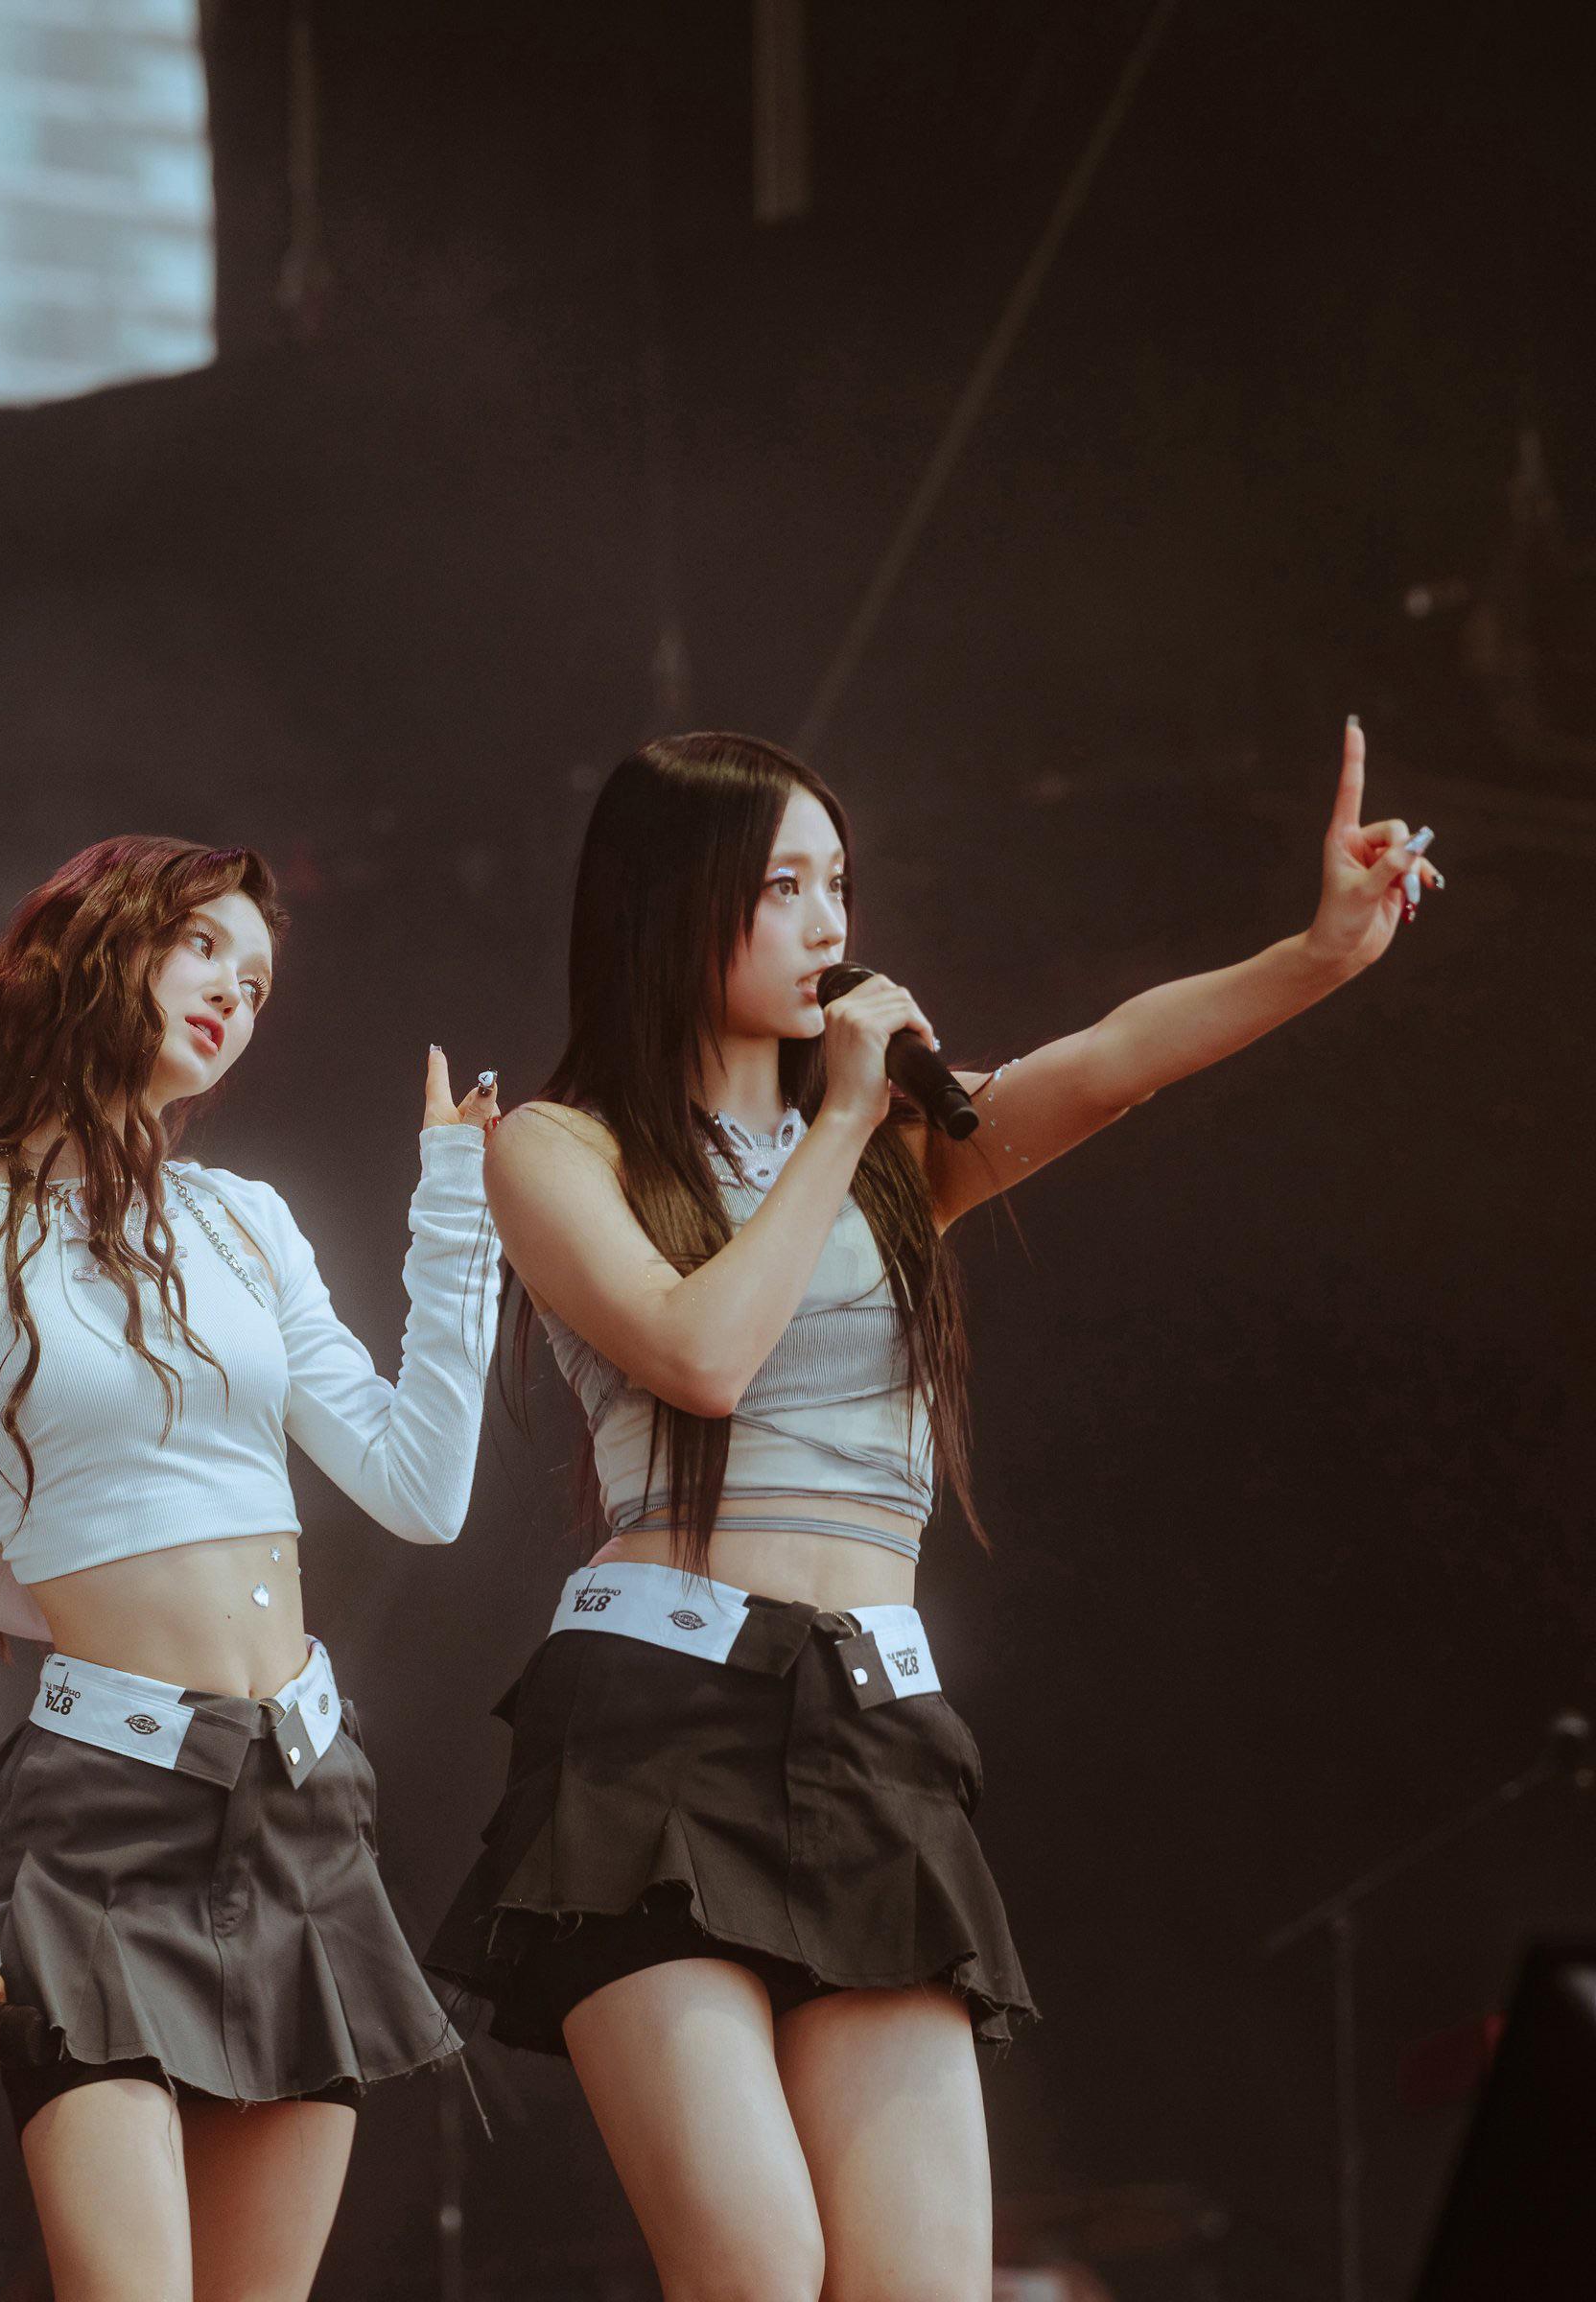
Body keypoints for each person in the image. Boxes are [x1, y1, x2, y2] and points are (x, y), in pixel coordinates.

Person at [423, 724, 1438, 2300]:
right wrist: (838, 1119)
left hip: (869, 1732)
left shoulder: (900, 1146)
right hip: (655, 1730)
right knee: (758, 2269)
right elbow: (700, 1355)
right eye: (782, 887)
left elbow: (1111, 1059)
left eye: (839, 883)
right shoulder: (562, 1149)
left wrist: (1318, 955)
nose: (829, 923)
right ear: (670, 902)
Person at [0, 836, 502, 2301]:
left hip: (302, 1795)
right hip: (103, 1814)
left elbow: (422, 1489)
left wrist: (456, 1215)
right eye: (203, 946)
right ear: (95, 946)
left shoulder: (244, 1219)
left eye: (256, 981)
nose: (234, 994)